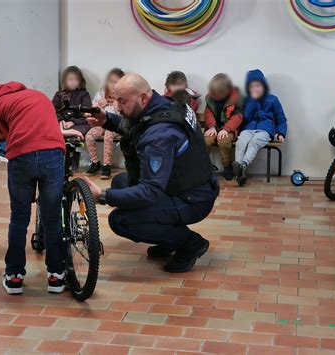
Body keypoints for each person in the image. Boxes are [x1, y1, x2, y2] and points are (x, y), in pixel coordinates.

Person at [84, 74, 219, 273]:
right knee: (122, 182)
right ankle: (168, 236)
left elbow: (150, 191)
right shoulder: (164, 105)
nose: (118, 107)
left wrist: (103, 197)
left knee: (120, 220)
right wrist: (106, 120)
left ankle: (189, 242)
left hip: (192, 199)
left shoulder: (160, 135)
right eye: (116, 100)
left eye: (122, 101)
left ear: (143, 98)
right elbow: (137, 125)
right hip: (191, 184)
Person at [0, 81, 77, 295]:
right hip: (52, 154)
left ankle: (14, 277)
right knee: (52, 219)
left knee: (19, 218)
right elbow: (44, 127)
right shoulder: (38, 94)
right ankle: (56, 276)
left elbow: (3, 138)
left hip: (22, 157)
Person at [233, 69, 287, 186]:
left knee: (254, 142)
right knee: (240, 142)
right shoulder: (247, 100)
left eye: (258, 85)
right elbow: (245, 117)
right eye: (252, 87)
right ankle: (239, 172)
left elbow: (281, 119)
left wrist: (280, 133)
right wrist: (252, 101)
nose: (255, 89)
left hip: (265, 130)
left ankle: (242, 166)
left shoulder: (273, 99)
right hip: (248, 128)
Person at [85, 67, 124, 179]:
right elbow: (93, 108)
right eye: (111, 82)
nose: (114, 85)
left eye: (117, 82)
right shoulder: (101, 93)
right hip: (101, 123)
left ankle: (107, 165)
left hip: (116, 125)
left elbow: (123, 115)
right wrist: (100, 105)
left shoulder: (123, 95)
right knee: (89, 136)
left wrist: (115, 103)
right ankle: (95, 162)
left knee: (108, 134)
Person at [203, 73, 243, 181]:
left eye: (218, 94)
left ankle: (227, 166)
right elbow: (208, 113)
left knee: (223, 141)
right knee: (206, 140)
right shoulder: (211, 99)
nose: (215, 96)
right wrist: (211, 127)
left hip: (229, 129)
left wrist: (226, 129)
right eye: (213, 93)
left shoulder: (236, 99)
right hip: (214, 128)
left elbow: (238, 117)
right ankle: (203, 165)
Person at [52, 66, 92, 137]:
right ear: (65, 81)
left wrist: (73, 122)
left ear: (80, 81)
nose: (73, 82)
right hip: (62, 123)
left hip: (78, 123)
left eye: (76, 79)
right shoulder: (59, 95)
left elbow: (87, 113)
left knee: (85, 126)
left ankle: (71, 135)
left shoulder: (84, 95)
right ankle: (64, 133)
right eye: (70, 79)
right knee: (52, 127)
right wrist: (60, 121)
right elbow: (53, 110)